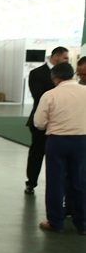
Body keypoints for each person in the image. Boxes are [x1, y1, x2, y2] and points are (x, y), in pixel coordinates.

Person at [33, 62, 86, 234]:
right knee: (80, 181)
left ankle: (55, 222)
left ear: (55, 78)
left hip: (57, 141)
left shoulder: (50, 95)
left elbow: (39, 123)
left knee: (55, 182)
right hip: (82, 141)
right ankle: (82, 224)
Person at [25, 46, 70, 195]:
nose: (67, 61)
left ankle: (62, 187)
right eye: (65, 57)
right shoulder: (36, 73)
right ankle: (31, 182)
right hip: (41, 121)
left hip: (62, 121)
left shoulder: (68, 74)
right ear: (56, 56)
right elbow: (38, 96)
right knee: (37, 153)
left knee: (61, 157)